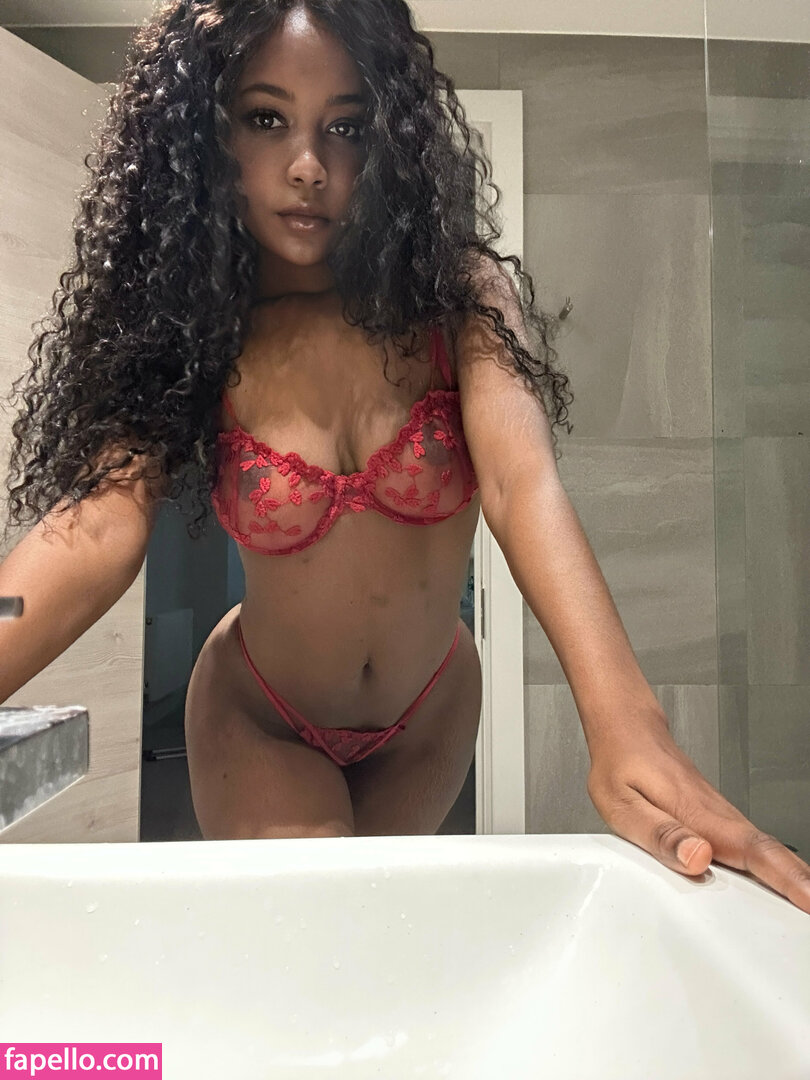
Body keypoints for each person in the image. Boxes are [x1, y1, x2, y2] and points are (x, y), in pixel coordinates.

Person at [1, 0, 808, 916]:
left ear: (388, 138)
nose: (309, 164)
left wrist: (631, 727)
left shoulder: (458, 296)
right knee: (322, 933)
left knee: (376, 945)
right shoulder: (196, 330)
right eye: (266, 118)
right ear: (209, 134)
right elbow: (95, 527)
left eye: (345, 127)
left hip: (432, 712)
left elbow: (521, 483)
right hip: (262, 714)